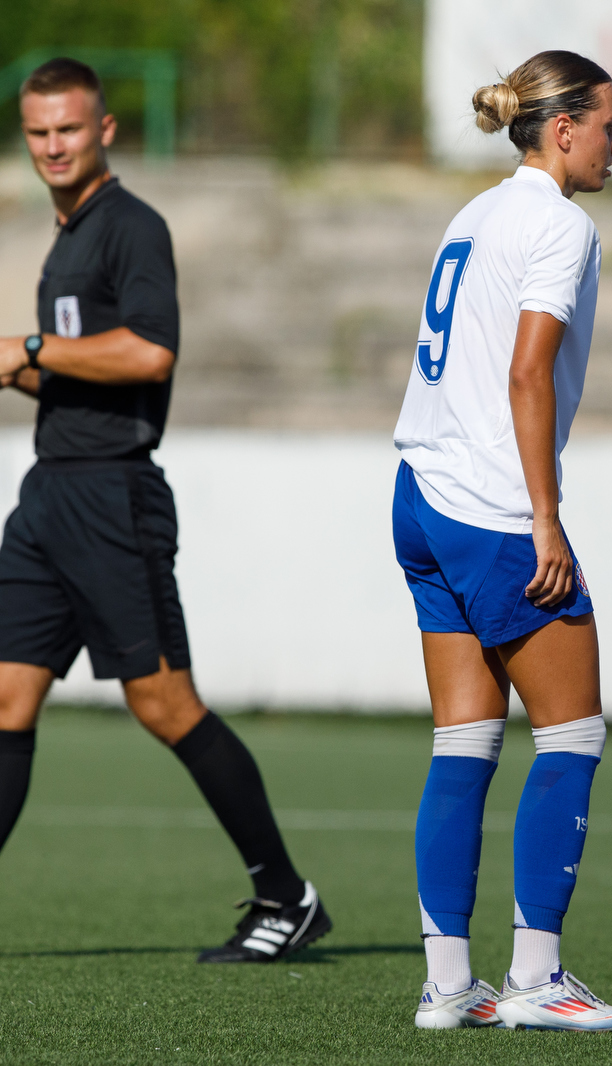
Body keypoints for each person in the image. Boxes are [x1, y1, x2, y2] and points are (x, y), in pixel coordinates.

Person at [0, 57, 329, 963]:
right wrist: (27, 366)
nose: (53, 145)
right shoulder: (65, 238)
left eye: (69, 128)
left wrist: (27, 346)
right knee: (4, 698)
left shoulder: (131, 228)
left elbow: (149, 355)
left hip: (114, 498)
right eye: (38, 132)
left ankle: (286, 896)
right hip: (48, 497)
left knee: (164, 704)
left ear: (104, 130)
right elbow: (76, 370)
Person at [392, 50, 612, 1033]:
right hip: (493, 507)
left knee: (464, 739)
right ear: (564, 126)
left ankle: (448, 984)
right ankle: (536, 976)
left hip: (419, 492)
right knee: (572, 733)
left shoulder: (475, 211)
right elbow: (528, 373)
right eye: (611, 125)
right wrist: (545, 515)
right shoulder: (558, 223)